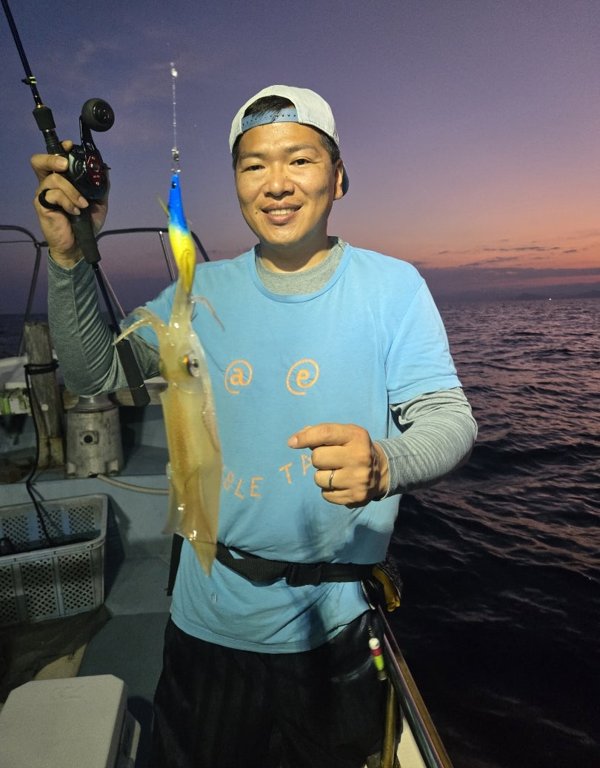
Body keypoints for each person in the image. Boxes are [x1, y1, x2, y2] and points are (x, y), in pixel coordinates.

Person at [31, 85, 477, 768]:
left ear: (338, 177)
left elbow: (449, 418)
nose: (276, 183)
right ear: (237, 184)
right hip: (207, 621)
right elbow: (94, 373)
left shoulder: (393, 288)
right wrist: (68, 258)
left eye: (299, 159)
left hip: (336, 626)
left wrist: (387, 462)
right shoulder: (198, 293)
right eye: (253, 165)